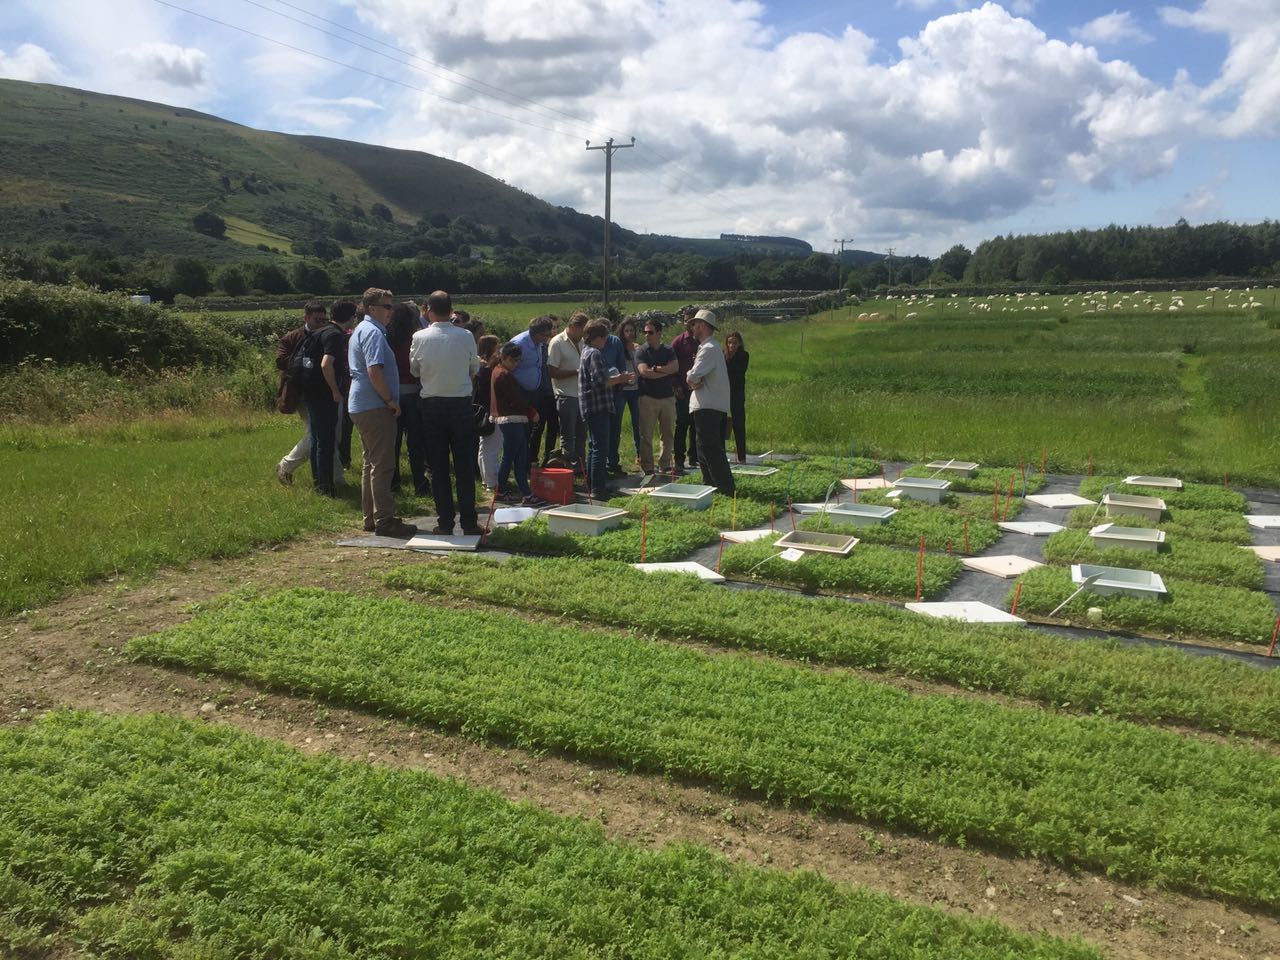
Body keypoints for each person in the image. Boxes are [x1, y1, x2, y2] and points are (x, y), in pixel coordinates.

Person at [409, 290, 483, 536]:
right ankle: (470, 523)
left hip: (431, 405)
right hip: (460, 404)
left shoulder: (419, 337)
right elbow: (474, 367)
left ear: (428, 310)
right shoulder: (465, 336)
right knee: (464, 466)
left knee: (439, 468)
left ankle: (444, 522)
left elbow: (415, 371)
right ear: (452, 311)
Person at [349, 288, 416, 537]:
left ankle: (372, 518)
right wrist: (389, 399)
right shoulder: (373, 332)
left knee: (371, 463)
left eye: (391, 306)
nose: (391, 311)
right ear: (371, 308)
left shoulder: (365, 330)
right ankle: (385, 521)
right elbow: (374, 370)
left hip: (363, 404)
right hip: (374, 405)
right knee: (383, 465)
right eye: (386, 306)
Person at [275, 302, 345, 489]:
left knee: (331, 435)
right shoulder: (292, 338)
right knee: (317, 435)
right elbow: (280, 361)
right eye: (317, 320)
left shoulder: (328, 334)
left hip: (326, 391)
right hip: (300, 392)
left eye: (324, 319)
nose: (321, 323)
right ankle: (287, 464)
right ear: (306, 318)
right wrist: (306, 360)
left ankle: (335, 478)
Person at [490, 341, 547, 507]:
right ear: (506, 358)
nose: (516, 364)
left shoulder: (499, 371)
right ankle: (502, 491)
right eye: (514, 361)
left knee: (519, 457)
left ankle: (526, 493)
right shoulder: (503, 375)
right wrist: (531, 412)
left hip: (512, 418)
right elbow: (515, 399)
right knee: (511, 457)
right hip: (511, 418)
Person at [579, 319, 630, 497]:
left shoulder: (586, 351)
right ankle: (597, 489)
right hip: (598, 405)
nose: (606, 341)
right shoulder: (595, 354)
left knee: (594, 447)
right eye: (604, 337)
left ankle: (594, 484)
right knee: (600, 447)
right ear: (597, 337)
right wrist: (621, 379)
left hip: (590, 406)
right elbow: (601, 381)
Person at [686, 308, 735, 496]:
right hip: (708, 405)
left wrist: (691, 379)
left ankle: (724, 488)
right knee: (704, 449)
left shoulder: (709, 349)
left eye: (695, 324)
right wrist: (693, 380)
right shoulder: (708, 348)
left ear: (703, 326)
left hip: (708, 406)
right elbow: (694, 378)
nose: (693, 328)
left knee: (711, 449)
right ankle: (711, 486)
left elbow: (693, 375)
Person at [387, 301, 428, 495]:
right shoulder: (414, 339)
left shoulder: (387, 338)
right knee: (416, 443)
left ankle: (394, 483)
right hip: (413, 392)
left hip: (393, 394)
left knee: (394, 443)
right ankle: (420, 482)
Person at [508, 315, 556, 464]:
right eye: (546, 335)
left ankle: (525, 463)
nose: (548, 338)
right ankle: (517, 465)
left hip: (534, 393)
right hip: (519, 393)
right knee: (520, 432)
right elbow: (506, 368)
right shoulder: (519, 343)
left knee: (529, 429)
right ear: (537, 333)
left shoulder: (539, 344)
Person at [634, 319, 679, 477]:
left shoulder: (668, 350)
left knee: (667, 433)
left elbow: (675, 368)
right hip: (648, 398)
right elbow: (644, 372)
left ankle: (665, 464)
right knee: (646, 434)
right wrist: (665, 372)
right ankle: (647, 466)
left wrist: (657, 369)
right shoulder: (641, 351)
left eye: (650, 332)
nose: (647, 335)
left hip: (667, 398)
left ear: (659, 333)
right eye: (645, 332)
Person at [547, 312, 586, 471]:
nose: (584, 334)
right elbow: (552, 371)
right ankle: (567, 469)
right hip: (565, 395)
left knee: (582, 435)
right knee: (568, 436)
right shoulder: (557, 343)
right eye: (582, 330)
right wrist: (576, 372)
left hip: (582, 395)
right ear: (574, 327)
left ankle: (580, 469)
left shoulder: (582, 341)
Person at [610, 317, 642, 472]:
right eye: (626, 331)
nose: (629, 333)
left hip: (636, 390)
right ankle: (613, 459)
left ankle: (640, 455)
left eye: (631, 330)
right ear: (622, 332)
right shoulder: (618, 348)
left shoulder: (638, 348)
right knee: (616, 425)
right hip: (622, 390)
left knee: (638, 424)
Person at [671, 307, 700, 471]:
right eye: (687, 321)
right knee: (681, 424)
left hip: (698, 389)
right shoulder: (678, 342)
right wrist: (675, 385)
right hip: (682, 389)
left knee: (696, 425)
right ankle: (679, 459)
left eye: (692, 321)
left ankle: (694, 457)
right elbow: (672, 366)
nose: (689, 324)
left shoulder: (702, 341)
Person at [332, 299, 359, 471]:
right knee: (342, 429)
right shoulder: (340, 337)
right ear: (350, 317)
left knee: (344, 428)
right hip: (342, 388)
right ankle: (341, 462)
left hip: (344, 388)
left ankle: (344, 461)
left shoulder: (332, 333)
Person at [474, 335, 502, 491]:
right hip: (491, 411)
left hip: (483, 411)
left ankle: (486, 479)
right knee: (492, 446)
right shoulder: (487, 370)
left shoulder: (480, 367)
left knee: (484, 447)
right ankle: (493, 482)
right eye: (497, 347)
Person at [724, 330, 750, 463]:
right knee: (722, 424)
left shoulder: (744, 355)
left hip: (737, 393)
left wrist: (732, 357)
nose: (732, 345)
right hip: (724, 393)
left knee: (739, 424)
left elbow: (739, 371)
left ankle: (742, 456)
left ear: (739, 344)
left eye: (735, 343)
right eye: (729, 342)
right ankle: (721, 454)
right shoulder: (723, 355)